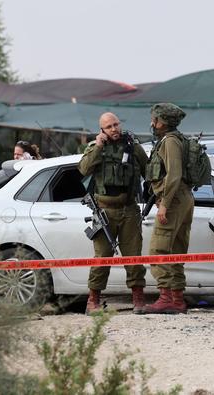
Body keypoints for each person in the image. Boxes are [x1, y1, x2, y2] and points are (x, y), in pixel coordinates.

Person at [78, 112, 148, 315]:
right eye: (109, 127)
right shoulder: (95, 147)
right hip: (105, 212)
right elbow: (83, 169)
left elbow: (149, 171)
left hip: (129, 210)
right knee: (102, 257)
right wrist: (98, 146)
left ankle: (138, 298)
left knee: (133, 256)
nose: (114, 129)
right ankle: (93, 300)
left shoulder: (133, 146)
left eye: (116, 124)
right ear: (102, 130)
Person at [144, 103, 194, 314]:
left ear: (163, 122)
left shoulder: (171, 142)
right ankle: (177, 299)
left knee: (158, 250)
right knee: (175, 250)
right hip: (182, 197)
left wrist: (164, 204)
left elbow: (173, 175)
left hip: (173, 200)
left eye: (155, 120)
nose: (152, 124)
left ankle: (166, 298)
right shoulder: (177, 139)